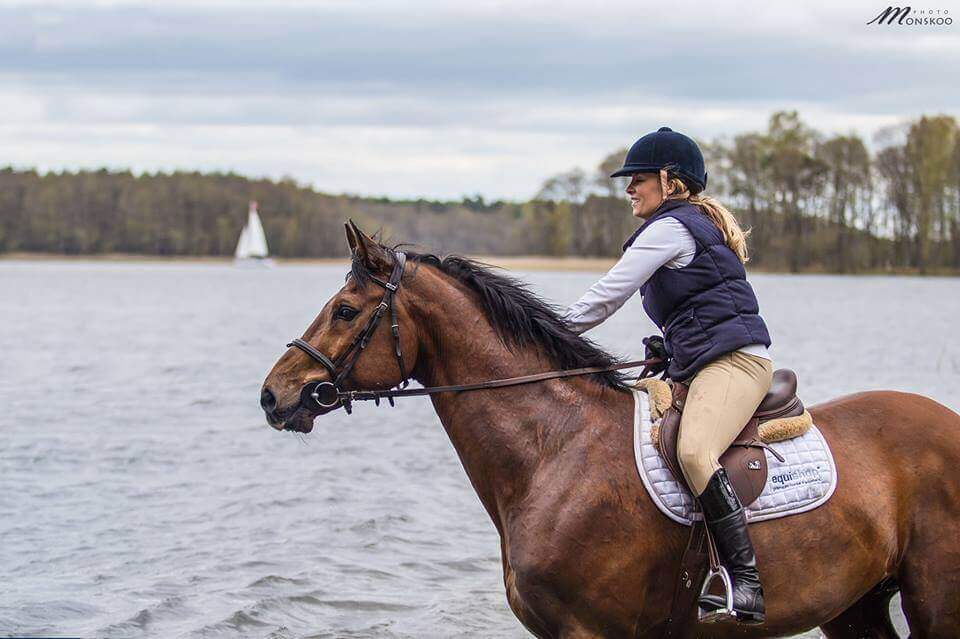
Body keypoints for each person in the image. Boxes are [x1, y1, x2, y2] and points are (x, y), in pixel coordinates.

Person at [561, 127, 774, 624]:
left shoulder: (671, 228)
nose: (629, 190)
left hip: (737, 363)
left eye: (637, 180)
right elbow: (701, 307)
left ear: (669, 182)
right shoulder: (684, 225)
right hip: (704, 362)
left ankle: (746, 583)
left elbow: (605, 297)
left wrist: (541, 335)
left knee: (695, 451)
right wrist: (670, 346)